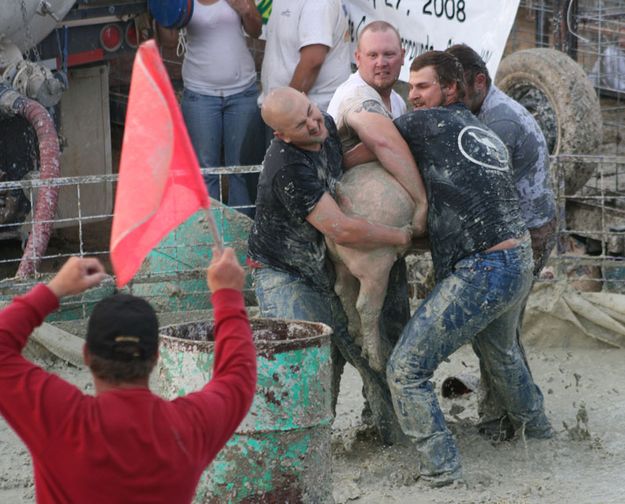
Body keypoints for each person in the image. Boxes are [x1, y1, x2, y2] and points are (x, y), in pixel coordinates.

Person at [378, 51, 552, 486]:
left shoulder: (428, 122)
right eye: (410, 87)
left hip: (486, 267)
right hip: (519, 257)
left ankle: (442, 470)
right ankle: (545, 437)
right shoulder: (482, 127)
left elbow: (376, 137)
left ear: (450, 90)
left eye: (422, 86)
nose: (412, 96)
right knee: (502, 353)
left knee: (406, 368)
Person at [0, 249, 256, 503]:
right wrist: (228, 296)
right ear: (155, 356)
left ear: (87, 355)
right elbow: (237, 376)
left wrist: (54, 289)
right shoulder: (187, 428)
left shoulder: (61, 420)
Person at [247, 86, 411, 445]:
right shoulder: (287, 169)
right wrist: (399, 236)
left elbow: (344, 162)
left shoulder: (328, 126)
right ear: (281, 135)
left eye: (311, 110)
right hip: (285, 273)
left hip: (324, 268)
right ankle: (298, 451)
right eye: (301, 123)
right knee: (306, 366)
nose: (313, 122)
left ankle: (395, 438)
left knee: (369, 355)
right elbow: (342, 229)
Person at [445, 43, 557, 439]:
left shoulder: (499, 123)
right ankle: (504, 418)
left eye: (455, 87)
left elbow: (475, 190)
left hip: (527, 232)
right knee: (495, 332)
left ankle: (524, 423)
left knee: (497, 335)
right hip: (518, 227)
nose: (450, 96)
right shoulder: (483, 110)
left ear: (479, 81)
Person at [161, 0, 262, 216]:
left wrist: (245, 9)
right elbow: (169, 41)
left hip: (242, 92)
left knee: (241, 170)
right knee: (205, 172)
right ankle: (211, 243)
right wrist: (161, 11)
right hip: (200, 95)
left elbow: (256, 30)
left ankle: (240, 240)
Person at [259, 0, 351, 113]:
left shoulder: (318, 4)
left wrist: (285, 110)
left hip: (309, 114)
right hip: (279, 107)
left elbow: (312, 62)